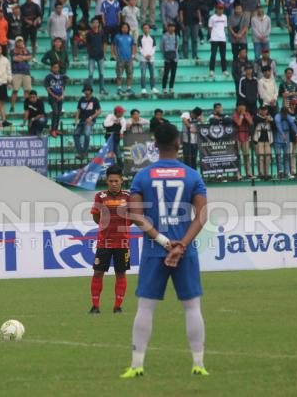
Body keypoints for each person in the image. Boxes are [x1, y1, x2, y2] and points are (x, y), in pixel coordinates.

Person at [120, 122, 209, 378]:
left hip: (154, 250)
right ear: (178, 143)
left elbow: (136, 217)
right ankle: (198, 364)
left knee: (145, 308)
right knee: (192, 308)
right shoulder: (192, 175)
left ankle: (136, 366)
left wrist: (163, 242)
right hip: (186, 251)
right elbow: (201, 216)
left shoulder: (143, 176)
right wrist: (181, 245)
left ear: (155, 145)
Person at [88, 165, 131, 314]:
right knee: (98, 273)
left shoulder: (128, 196)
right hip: (104, 242)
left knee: (121, 273)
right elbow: (95, 215)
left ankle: (117, 306)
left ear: (122, 181)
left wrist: (123, 227)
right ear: (107, 181)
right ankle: (95, 306)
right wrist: (104, 226)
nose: (114, 183)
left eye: (116, 181)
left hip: (122, 242)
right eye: (111, 181)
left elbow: (132, 217)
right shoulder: (100, 196)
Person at [74, 84, 101, 159]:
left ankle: (83, 153)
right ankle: (82, 153)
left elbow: (99, 111)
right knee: (75, 135)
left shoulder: (95, 100)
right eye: (85, 90)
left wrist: (91, 118)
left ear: (91, 91)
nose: (86, 92)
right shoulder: (81, 99)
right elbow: (78, 110)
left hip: (90, 121)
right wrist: (76, 120)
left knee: (87, 134)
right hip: (81, 121)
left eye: (88, 90)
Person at [10, 37, 33, 112]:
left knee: (27, 91)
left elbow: (30, 57)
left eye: (21, 42)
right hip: (16, 72)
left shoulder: (26, 50)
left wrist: (22, 57)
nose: (20, 43)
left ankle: (26, 107)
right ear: (16, 43)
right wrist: (24, 58)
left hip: (26, 72)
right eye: (18, 42)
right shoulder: (12, 50)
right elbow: (15, 59)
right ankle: (12, 106)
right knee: (15, 90)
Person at [44, 62, 67, 137]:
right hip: (52, 98)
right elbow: (48, 88)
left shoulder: (61, 76)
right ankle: (53, 129)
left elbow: (62, 87)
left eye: (57, 67)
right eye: (54, 67)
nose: (56, 69)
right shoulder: (48, 77)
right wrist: (54, 96)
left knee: (59, 113)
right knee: (55, 112)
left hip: (60, 97)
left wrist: (62, 95)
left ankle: (56, 129)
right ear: (51, 68)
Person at [112, 23, 135, 96]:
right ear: (121, 28)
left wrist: (133, 55)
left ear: (128, 29)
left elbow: (133, 46)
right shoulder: (117, 36)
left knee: (129, 74)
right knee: (119, 75)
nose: (124, 29)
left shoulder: (130, 37)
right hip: (120, 59)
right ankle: (119, 89)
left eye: (126, 28)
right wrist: (114, 55)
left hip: (129, 59)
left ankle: (128, 88)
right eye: (123, 27)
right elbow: (114, 46)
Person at [208, 3, 228, 77]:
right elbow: (210, 28)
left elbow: (225, 27)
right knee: (213, 55)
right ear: (216, 9)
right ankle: (211, 70)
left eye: (221, 8)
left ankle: (224, 70)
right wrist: (211, 37)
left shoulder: (225, 17)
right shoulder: (212, 17)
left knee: (223, 55)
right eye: (219, 8)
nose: (220, 10)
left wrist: (224, 36)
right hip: (214, 39)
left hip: (222, 39)